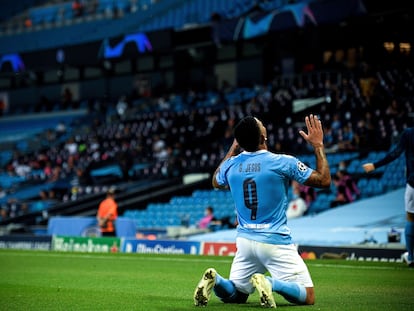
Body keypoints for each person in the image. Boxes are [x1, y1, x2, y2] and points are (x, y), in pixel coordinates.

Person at [193, 114, 331, 307]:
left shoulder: (231, 165)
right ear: (263, 138)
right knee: (308, 296)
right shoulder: (282, 162)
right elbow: (324, 180)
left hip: (245, 241)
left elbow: (216, 180)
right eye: (262, 125)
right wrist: (318, 145)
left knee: (237, 295)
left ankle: (217, 280)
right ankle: (270, 283)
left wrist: (233, 148)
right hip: (274, 241)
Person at [362, 127, 414, 267]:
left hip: (412, 184)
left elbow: (396, 153)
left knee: (410, 219)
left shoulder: (409, 133)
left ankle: (411, 257)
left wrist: (374, 165)